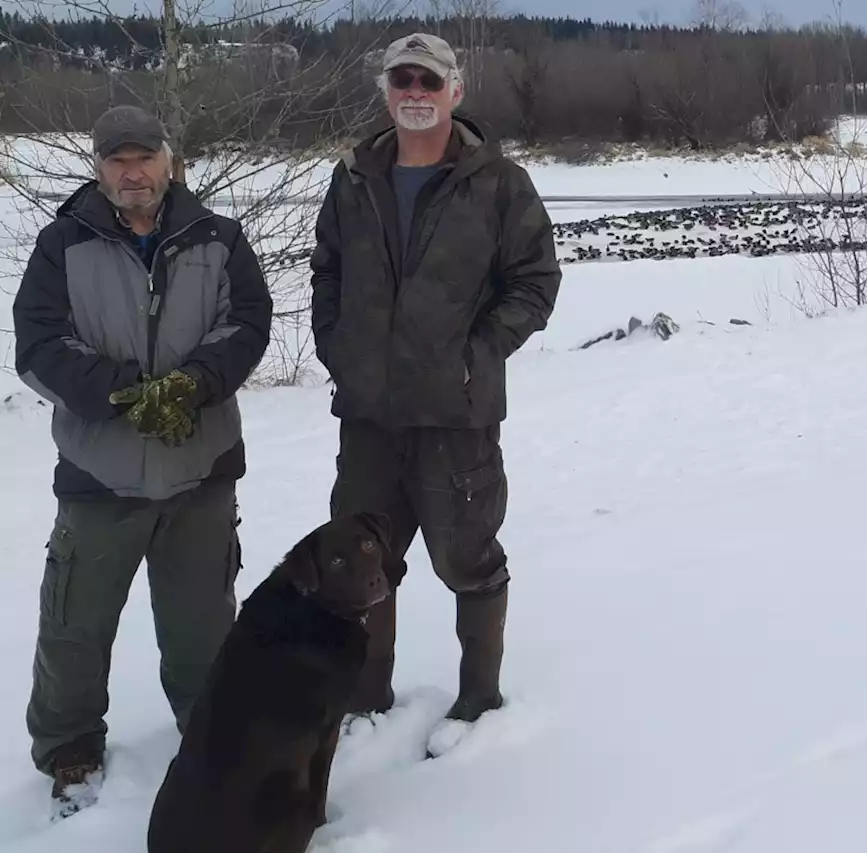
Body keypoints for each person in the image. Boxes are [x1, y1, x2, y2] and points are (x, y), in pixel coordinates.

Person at [11, 105, 273, 805]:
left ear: (168, 159)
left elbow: (246, 325)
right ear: (98, 168)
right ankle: (69, 750)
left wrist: (194, 385)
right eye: (117, 160)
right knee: (74, 623)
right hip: (101, 475)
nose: (133, 172)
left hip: (201, 470)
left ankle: (212, 730)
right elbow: (38, 348)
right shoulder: (61, 245)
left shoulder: (219, 238)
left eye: (144, 157)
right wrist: (127, 394)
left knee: (205, 627)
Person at [308, 33, 561, 744]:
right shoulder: (354, 175)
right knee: (359, 559)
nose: (414, 92)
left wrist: (477, 353)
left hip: (457, 414)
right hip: (368, 416)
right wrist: (338, 347)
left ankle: (479, 698)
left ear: (455, 90)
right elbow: (326, 269)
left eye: (429, 79)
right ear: (385, 91)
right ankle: (366, 697)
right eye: (402, 80)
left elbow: (536, 282)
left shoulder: (499, 182)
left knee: (465, 557)